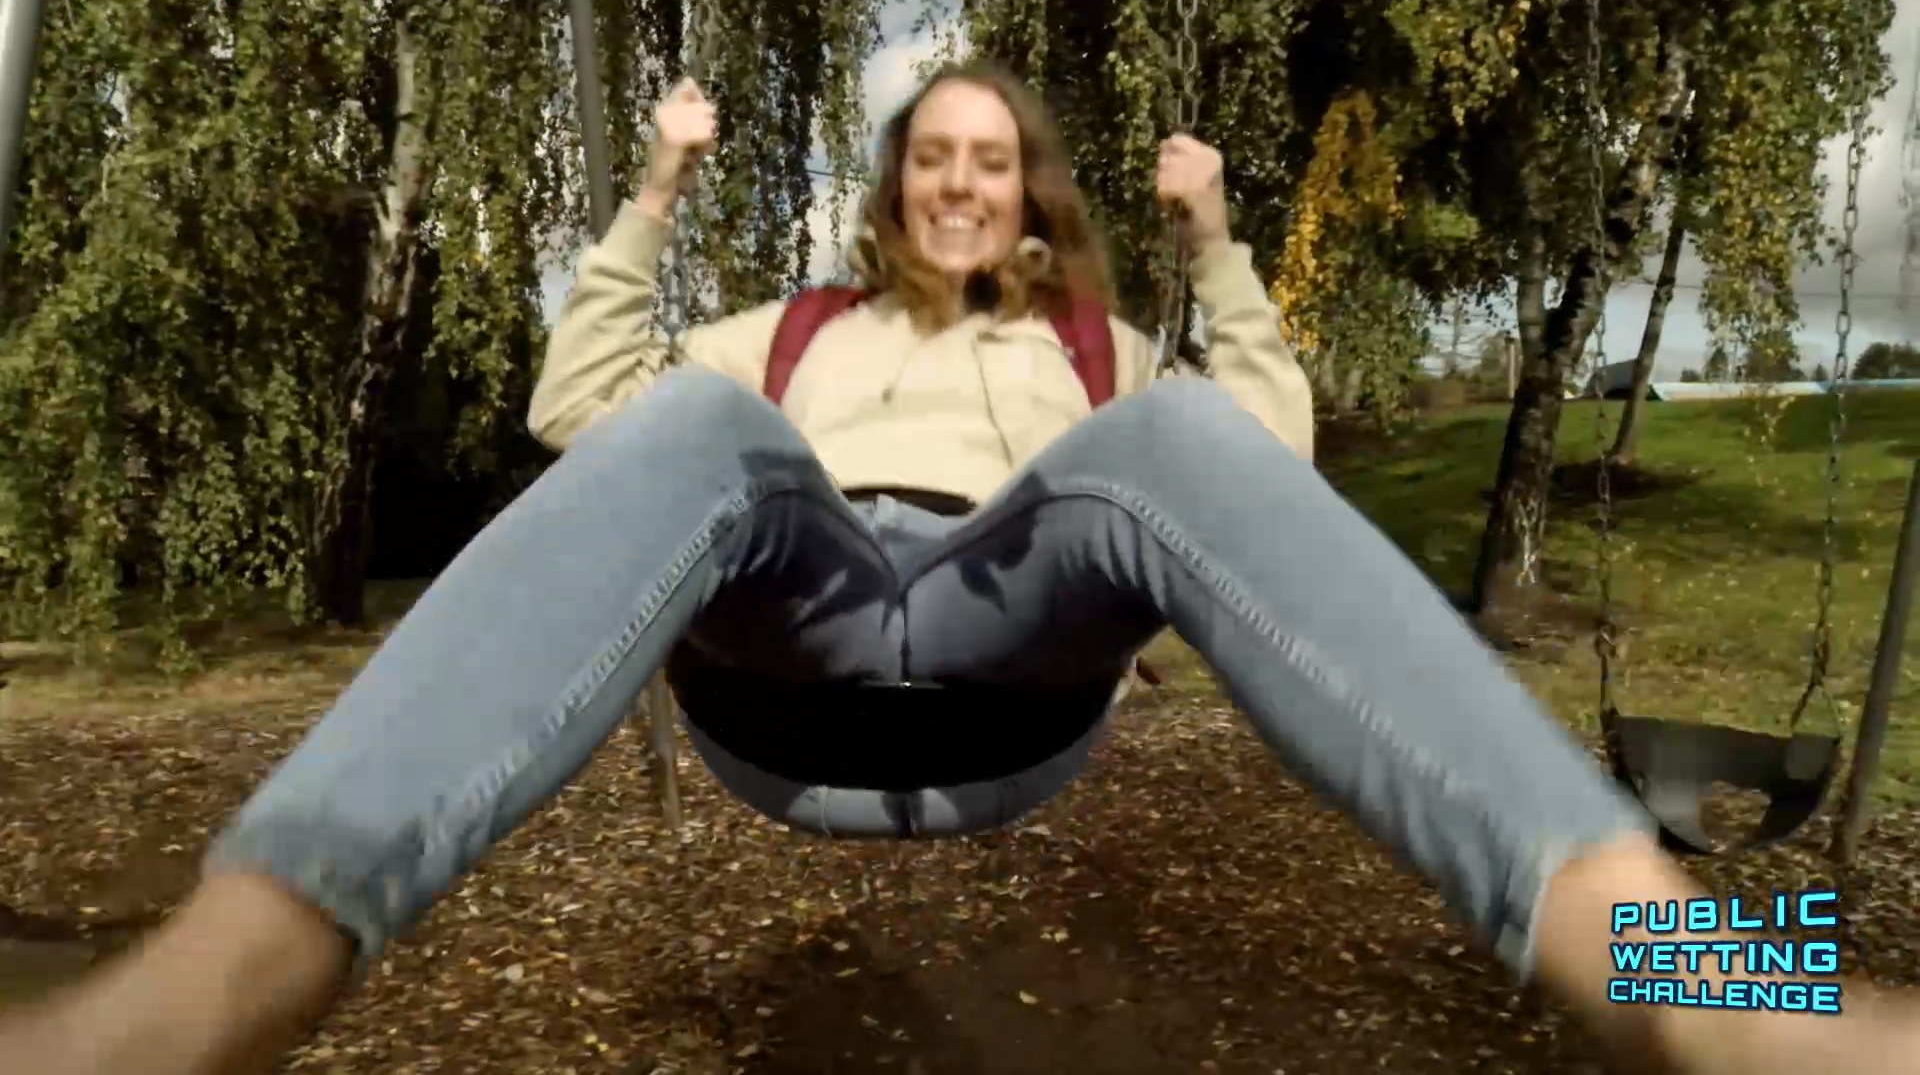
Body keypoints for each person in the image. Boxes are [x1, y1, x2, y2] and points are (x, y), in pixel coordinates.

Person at [0, 62, 1913, 1075]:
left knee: (1169, 441)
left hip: (1019, 657)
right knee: (681, 422)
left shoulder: (1095, 360)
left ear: (1030, 193)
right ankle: (241, 957)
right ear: (898, 184)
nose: (962, 180)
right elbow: (578, 402)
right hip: (789, 638)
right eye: (934, 153)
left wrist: (1216, 236)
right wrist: (658, 190)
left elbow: (1268, 461)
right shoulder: (795, 326)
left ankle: (1670, 961)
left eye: (994, 157)